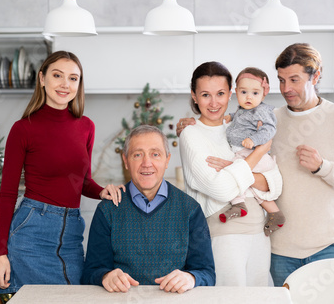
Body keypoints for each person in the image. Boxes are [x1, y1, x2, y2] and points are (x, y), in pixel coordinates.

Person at [0, 51, 125, 294]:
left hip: (71, 234)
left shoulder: (86, 127)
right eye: (58, 75)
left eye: (73, 78)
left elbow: (82, 181)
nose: (65, 84)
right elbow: (8, 194)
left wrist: (101, 191)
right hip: (32, 233)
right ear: (42, 79)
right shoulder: (23, 129)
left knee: (75, 296)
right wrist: (0, 253)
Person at [269, 43, 334, 286]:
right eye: (281, 80)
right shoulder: (271, 121)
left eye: (294, 80)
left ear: (315, 76)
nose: (286, 88)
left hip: (328, 247)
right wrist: (193, 123)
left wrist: (322, 167)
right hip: (280, 249)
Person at [177, 61, 283, 287]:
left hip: (259, 231)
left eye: (221, 94)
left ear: (231, 94)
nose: (214, 103)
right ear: (194, 96)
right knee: (230, 298)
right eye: (205, 94)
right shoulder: (191, 134)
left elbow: (275, 183)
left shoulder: (238, 127)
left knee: (259, 299)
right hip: (224, 234)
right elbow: (221, 189)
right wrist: (260, 152)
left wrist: (233, 168)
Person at [81, 125, 215, 293]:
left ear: (167, 160)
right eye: (137, 155)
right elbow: (91, 272)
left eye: (155, 154)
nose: (146, 163)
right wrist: (105, 276)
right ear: (126, 161)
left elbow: (207, 273)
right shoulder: (108, 210)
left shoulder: (190, 209)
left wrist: (191, 278)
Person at [222, 67, 285, 236]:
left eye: (255, 93)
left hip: (255, 155)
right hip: (244, 153)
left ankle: (239, 205)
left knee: (235, 174)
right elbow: (241, 119)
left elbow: (269, 130)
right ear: (236, 92)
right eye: (244, 92)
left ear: (264, 93)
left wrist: (254, 140)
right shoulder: (243, 109)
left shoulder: (262, 111)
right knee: (250, 186)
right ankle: (274, 213)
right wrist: (231, 116)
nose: (249, 97)